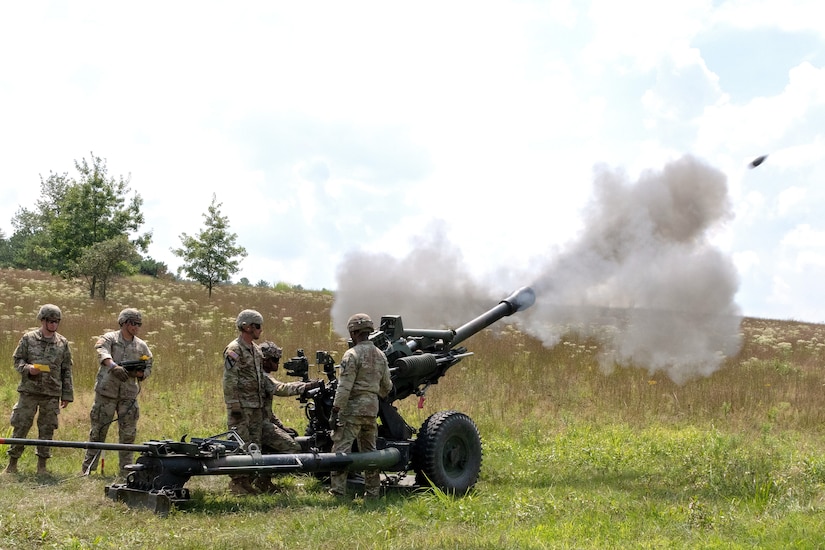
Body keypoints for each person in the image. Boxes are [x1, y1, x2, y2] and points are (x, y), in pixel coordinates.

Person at [81, 308, 153, 477]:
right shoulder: (110, 338)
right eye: (134, 323)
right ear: (125, 323)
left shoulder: (141, 345)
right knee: (98, 432)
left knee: (128, 436)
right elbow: (101, 352)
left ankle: (126, 472)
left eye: (139, 324)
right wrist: (113, 367)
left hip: (128, 396)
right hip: (107, 394)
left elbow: (149, 365)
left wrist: (139, 373)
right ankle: (88, 470)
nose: (136, 327)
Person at [4, 304, 74, 475]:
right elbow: (17, 360)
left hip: (51, 393)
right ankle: (12, 464)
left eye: (56, 321)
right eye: (50, 321)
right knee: (20, 425)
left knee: (47, 428)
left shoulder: (62, 343)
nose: (53, 324)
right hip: (29, 391)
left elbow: (66, 369)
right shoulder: (28, 338)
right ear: (42, 320)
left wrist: (66, 394)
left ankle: (42, 466)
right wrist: (28, 369)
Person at [329, 313, 392, 499]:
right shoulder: (381, 355)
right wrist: (371, 394)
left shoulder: (352, 354)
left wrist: (335, 411)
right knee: (370, 453)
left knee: (341, 450)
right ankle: (372, 493)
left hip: (352, 410)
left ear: (354, 332)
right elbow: (387, 386)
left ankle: (338, 492)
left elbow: (344, 387)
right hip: (372, 410)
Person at [253, 340, 323, 493]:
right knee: (292, 448)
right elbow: (281, 389)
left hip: (261, 421)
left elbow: (266, 411)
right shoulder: (260, 376)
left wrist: (281, 426)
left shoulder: (259, 375)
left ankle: (262, 479)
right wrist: (305, 386)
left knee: (288, 436)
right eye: (275, 360)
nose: (278, 364)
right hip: (257, 424)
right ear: (264, 360)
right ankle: (263, 480)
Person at [223, 309, 268, 495]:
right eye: (257, 326)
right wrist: (233, 404)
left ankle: (251, 481)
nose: (260, 330)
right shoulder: (234, 349)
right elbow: (229, 379)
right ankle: (238, 482)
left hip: (256, 406)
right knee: (239, 444)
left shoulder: (256, 350)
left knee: (255, 444)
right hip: (241, 406)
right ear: (246, 327)